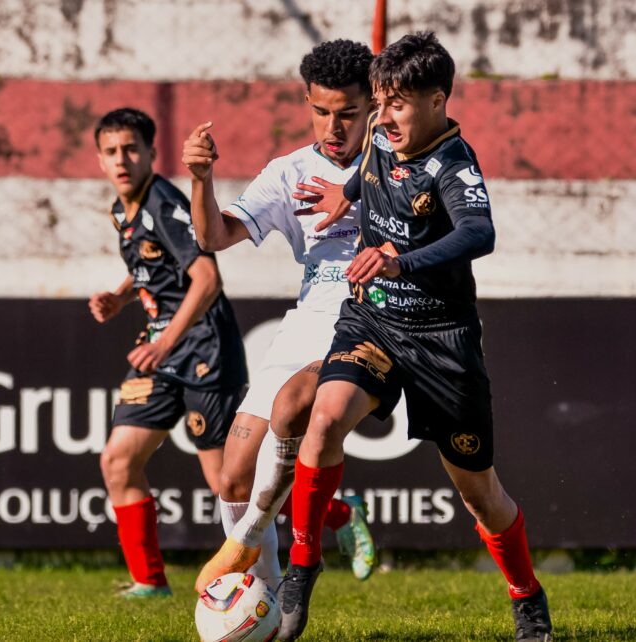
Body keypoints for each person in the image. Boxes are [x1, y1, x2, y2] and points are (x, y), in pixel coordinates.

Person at [273, 32, 553, 641]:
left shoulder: (455, 164)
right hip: (372, 320)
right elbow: (369, 174)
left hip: (441, 340)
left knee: (482, 497)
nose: (384, 114)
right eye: (381, 100)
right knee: (322, 420)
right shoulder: (379, 135)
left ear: (437, 100)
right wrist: (342, 196)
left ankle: (525, 592)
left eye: (398, 102)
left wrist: (401, 257)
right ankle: (302, 565)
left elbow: (479, 234)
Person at [181, 40, 377, 593]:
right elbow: (213, 237)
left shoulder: (397, 159)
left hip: (377, 317)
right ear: (306, 102)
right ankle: (264, 602)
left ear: (373, 108)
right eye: (320, 112)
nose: (333, 127)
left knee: (291, 425)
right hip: (311, 314)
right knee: (234, 476)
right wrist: (201, 178)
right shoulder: (288, 172)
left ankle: (279, 594)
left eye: (347, 114)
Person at [90, 107, 248, 598]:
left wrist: (163, 342)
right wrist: (121, 296)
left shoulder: (162, 201)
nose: (122, 159)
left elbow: (206, 278)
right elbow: (154, 269)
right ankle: (150, 582)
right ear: (99, 160)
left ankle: (339, 510)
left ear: (152, 154)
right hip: (162, 350)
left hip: (202, 346)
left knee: (229, 486)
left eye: (131, 149)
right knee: (118, 460)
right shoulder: (122, 209)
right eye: (112, 151)